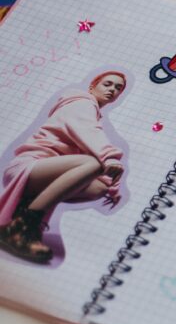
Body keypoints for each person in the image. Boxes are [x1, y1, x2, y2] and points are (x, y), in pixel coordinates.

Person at [0, 71, 128, 264]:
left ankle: (23, 215)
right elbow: (89, 132)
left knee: (98, 188)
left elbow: (86, 152)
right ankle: (22, 227)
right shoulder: (81, 102)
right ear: (93, 86)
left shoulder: (91, 112)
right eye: (108, 84)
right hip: (30, 167)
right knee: (91, 164)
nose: (113, 90)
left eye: (118, 88)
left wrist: (110, 185)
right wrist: (109, 157)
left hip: (47, 172)